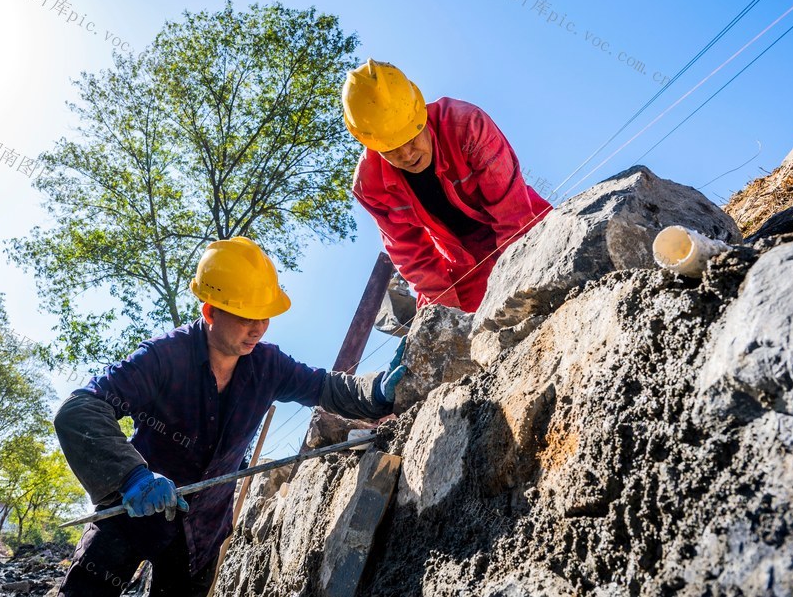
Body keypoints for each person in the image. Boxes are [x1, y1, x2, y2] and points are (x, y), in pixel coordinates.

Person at [53, 237, 406, 597]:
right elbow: (81, 408)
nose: (259, 328)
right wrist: (131, 475)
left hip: (201, 531)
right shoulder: (164, 357)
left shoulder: (268, 365)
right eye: (246, 318)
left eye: (264, 317)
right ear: (210, 312)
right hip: (131, 513)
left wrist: (376, 392)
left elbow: (326, 387)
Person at [345, 59, 553, 312]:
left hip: (523, 227)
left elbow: (513, 212)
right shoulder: (369, 184)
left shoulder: (467, 125)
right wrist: (442, 314)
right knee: (453, 326)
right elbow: (412, 255)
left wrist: (526, 272)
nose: (407, 155)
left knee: (547, 282)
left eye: (411, 137)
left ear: (421, 113)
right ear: (372, 144)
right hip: (460, 264)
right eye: (391, 149)